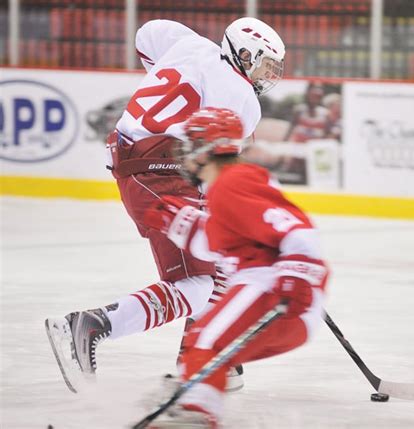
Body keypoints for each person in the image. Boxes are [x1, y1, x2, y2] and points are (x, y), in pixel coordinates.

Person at [44, 17, 285, 393]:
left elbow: (146, 36)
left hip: (146, 161)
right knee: (198, 282)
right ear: (243, 53)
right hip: (160, 171)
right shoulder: (242, 98)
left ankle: (202, 357)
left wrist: (176, 76)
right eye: (264, 64)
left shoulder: (189, 44)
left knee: (219, 264)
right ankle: (91, 325)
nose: (266, 76)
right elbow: (220, 167)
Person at [142, 107, 329, 428]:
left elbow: (298, 230)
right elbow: (220, 242)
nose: (184, 155)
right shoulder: (227, 188)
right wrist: (183, 224)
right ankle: (196, 396)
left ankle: (196, 413)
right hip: (276, 298)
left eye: (189, 145)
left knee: (205, 341)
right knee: (205, 346)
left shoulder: (233, 183)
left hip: (271, 291)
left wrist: (298, 279)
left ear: (204, 149)